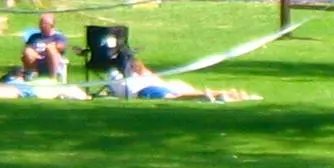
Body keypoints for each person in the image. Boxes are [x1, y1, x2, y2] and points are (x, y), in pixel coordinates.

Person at [107, 58, 258, 103]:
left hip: (148, 89)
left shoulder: (113, 74)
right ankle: (229, 94)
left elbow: (119, 88)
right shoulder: (139, 71)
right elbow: (150, 75)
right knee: (182, 92)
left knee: (175, 97)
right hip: (161, 85)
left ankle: (218, 95)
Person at [21, 13, 69, 79]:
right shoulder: (34, 37)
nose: (41, 25)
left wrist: (50, 48)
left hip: (51, 60)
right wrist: (34, 53)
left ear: (52, 25)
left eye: (44, 23)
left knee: (50, 48)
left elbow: (61, 48)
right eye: (40, 23)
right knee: (28, 51)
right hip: (36, 61)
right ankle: (32, 75)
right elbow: (26, 48)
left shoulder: (59, 37)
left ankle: (53, 78)